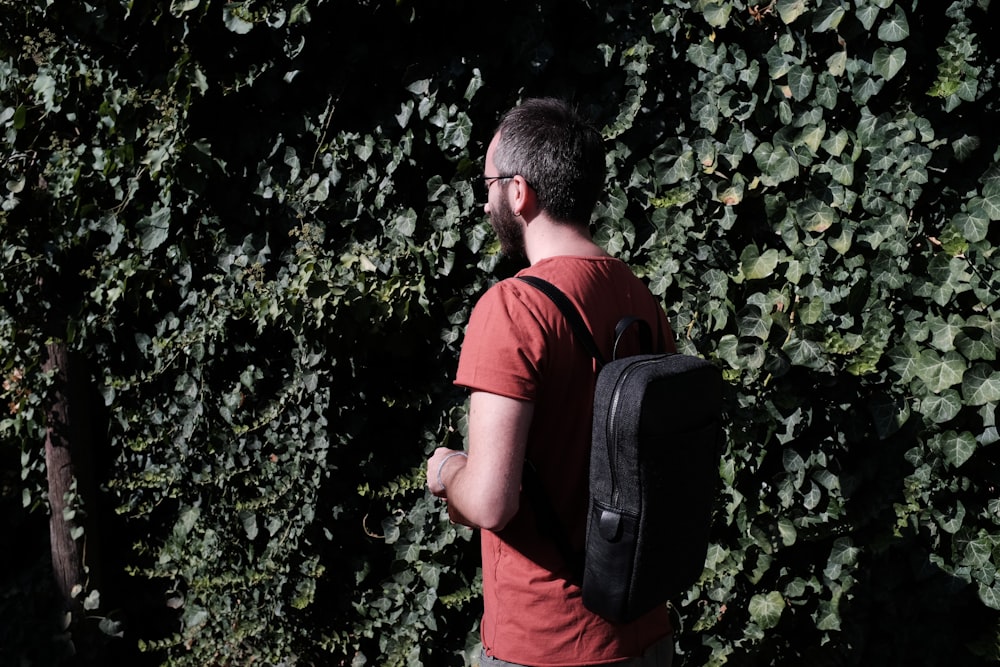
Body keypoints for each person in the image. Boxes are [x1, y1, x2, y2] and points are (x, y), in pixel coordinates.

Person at [426, 97, 677, 667]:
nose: (486, 198)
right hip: (645, 629)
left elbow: (491, 502)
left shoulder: (514, 307)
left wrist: (446, 472)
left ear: (519, 192)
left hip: (550, 642)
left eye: (488, 181)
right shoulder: (639, 298)